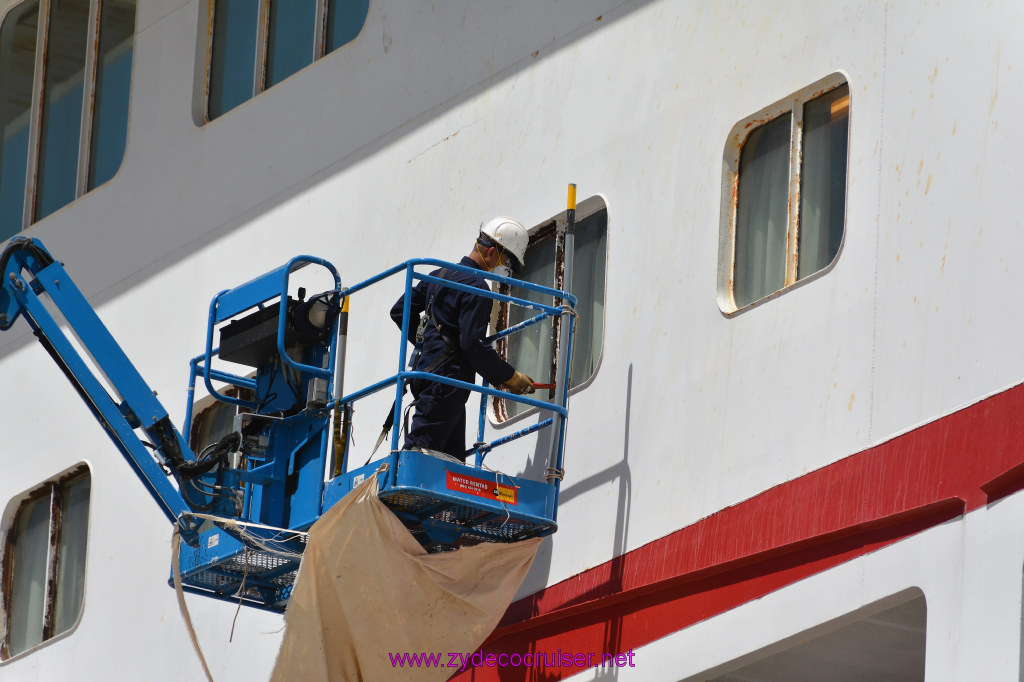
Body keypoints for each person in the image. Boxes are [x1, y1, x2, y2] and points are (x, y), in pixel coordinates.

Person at [390, 217, 536, 460]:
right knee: (420, 455)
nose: (505, 268)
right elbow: (473, 346)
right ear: (490, 252)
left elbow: (399, 311)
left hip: (430, 376)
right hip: (447, 382)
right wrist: (510, 377)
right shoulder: (477, 287)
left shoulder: (439, 274)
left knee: (451, 461)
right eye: (506, 261)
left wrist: (426, 345)